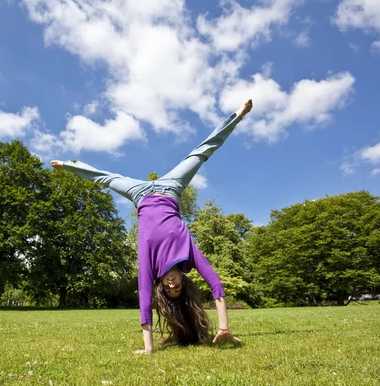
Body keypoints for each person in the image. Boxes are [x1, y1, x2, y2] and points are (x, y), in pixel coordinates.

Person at [50, 98, 253, 353]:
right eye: (177, 286)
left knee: (107, 178)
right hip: (172, 188)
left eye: (170, 289)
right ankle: (238, 114)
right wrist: (223, 327)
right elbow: (215, 283)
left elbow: (145, 299)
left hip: (141, 194)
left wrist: (148, 349)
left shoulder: (152, 266)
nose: (171, 285)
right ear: (183, 280)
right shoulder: (188, 254)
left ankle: (67, 165)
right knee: (201, 153)